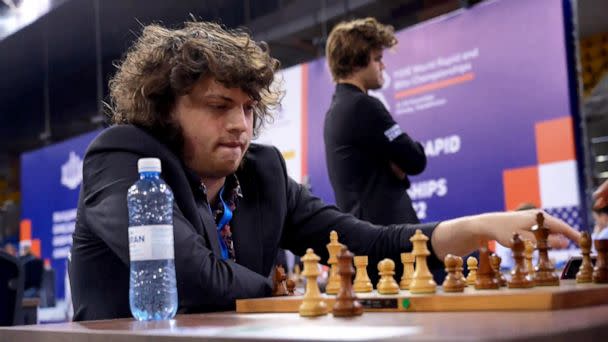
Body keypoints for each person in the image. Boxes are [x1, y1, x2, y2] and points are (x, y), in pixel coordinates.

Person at [70, 20, 580, 321]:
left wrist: (480, 227)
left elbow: (369, 244)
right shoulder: (124, 159)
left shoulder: (262, 173)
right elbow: (194, 278)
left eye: (248, 109)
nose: (239, 126)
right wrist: (285, 289)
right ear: (164, 110)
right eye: (217, 105)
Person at [323, 18, 426, 225]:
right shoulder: (363, 106)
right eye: (377, 59)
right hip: (388, 238)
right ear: (355, 61)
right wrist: (396, 163)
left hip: (366, 234)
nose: (383, 65)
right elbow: (415, 159)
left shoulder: (335, 110)